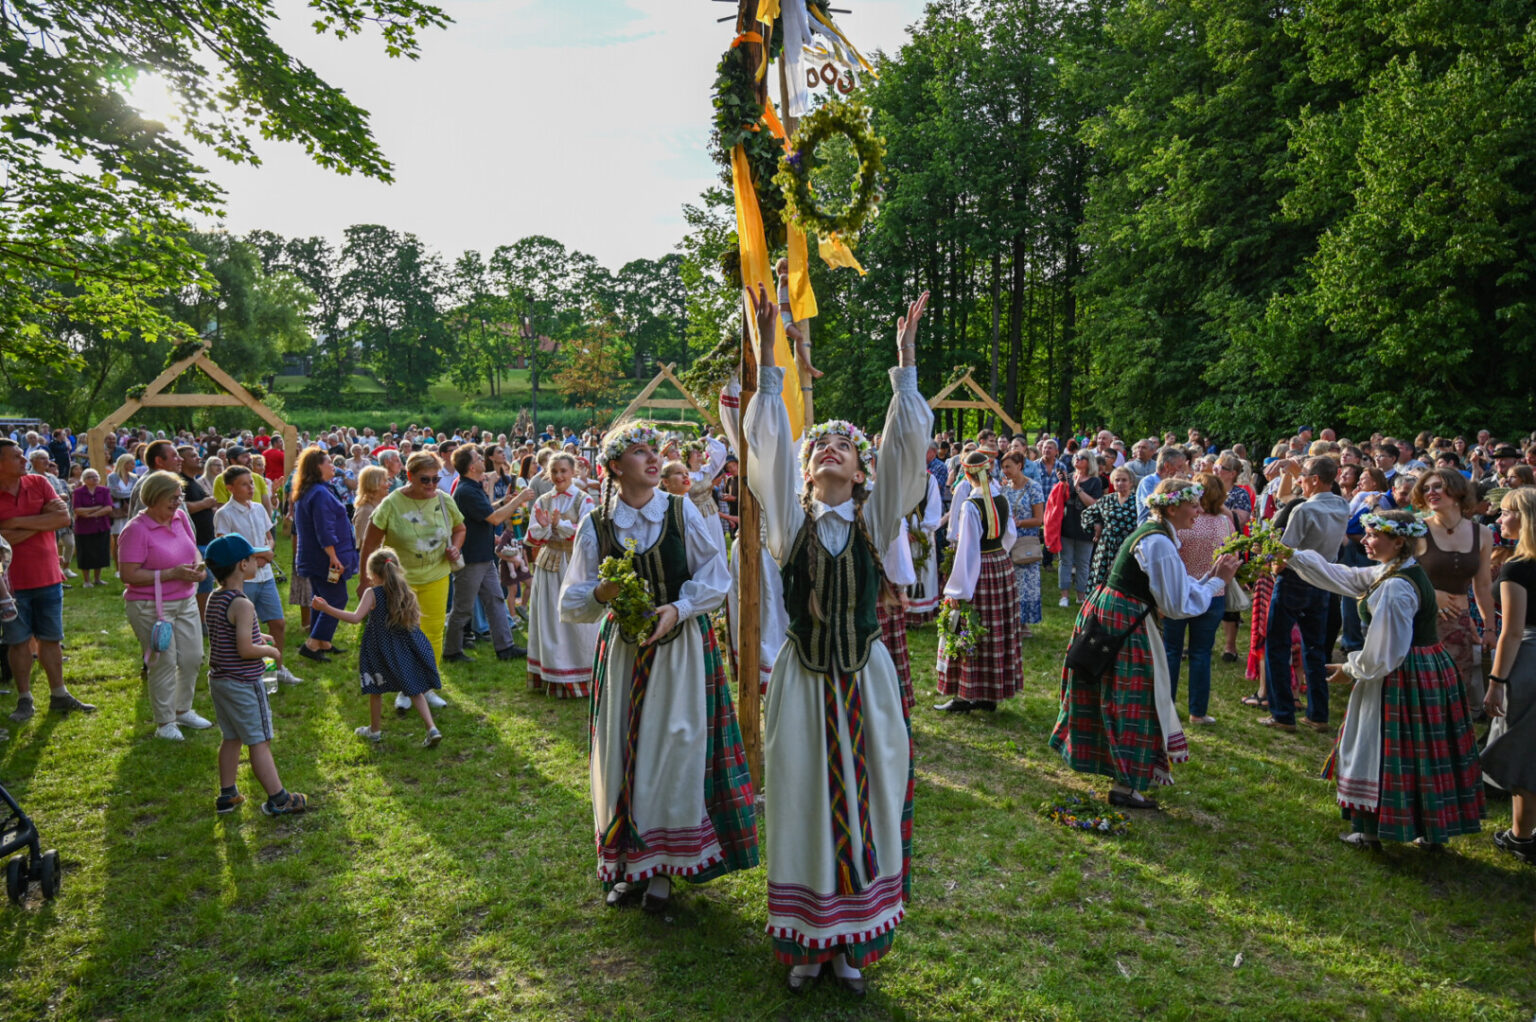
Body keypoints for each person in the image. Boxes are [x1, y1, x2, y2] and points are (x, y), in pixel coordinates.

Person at [742, 285, 928, 993]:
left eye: (844, 447)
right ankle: (808, 938)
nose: (829, 450)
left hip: (864, 677)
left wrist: (904, 364)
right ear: (808, 467)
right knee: (802, 796)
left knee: (866, 792)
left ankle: (851, 938)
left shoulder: (876, 522)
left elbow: (906, 451)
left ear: (860, 470)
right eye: (820, 445)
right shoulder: (790, 525)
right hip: (804, 678)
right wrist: (769, 358)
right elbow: (766, 449)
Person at [558, 414, 756, 918]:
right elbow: (571, 602)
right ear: (614, 466)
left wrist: (679, 608)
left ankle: (664, 868)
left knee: (676, 749)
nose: (653, 458)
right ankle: (629, 864)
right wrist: (602, 592)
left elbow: (716, 576)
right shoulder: (596, 523)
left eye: (654, 450)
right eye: (640, 451)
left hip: (681, 650)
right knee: (622, 750)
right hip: (625, 653)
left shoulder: (680, 510)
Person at [1285, 510, 1484, 849]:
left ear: (1399, 541)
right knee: (1422, 752)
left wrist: (1350, 669)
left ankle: (1372, 832)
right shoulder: (1396, 570)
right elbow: (1345, 576)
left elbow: (1384, 652)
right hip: (1425, 669)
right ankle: (1428, 830)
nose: (1365, 540)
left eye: (1373, 535)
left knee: (1384, 746)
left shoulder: (1395, 587)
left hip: (1402, 674)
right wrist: (1291, 556)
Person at [1051, 478, 1240, 809]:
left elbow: (1173, 586)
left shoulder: (1157, 534)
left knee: (1118, 694)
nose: (1198, 511)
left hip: (1119, 614)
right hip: (1124, 620)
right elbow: (1177, 605)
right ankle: (1126, 785)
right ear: (1172, 508)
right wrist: (1215, 584)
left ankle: (1121, 775)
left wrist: (1210, 578)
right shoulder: (1159, 542)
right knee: (1134, 697)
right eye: (1193, 505)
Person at [202, 534, 309, 816]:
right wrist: (270, 651)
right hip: (244, 684)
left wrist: (258, 635)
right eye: (253, 558)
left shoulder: (215, 597)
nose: (257, 562)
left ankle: (227, 794)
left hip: (220, 681)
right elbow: (245, 649)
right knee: (259, 740)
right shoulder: (243, 604)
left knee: (231, 737)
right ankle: (279, 798)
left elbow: (228, 634)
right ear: (242, 565)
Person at [2, 439, 96, 722]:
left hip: (48, 576)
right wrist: (40, 520)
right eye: (17, 456)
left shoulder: (39, 483)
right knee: (18, 642)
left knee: (51, 638)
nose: (24, 460)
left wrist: (14, 524)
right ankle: (24, 699)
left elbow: (63, 519)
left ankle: (59, 694)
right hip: (10, 584)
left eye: (23, 455)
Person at [312, 547, 443, 748]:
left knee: (376, 689)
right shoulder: (405, 591)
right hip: (404, 648)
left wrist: (326, 608)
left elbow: (355, 618)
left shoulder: (372, 593)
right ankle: (432, 728)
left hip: (378, 648)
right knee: (415, 690)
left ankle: (374, 730)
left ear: (372, 574)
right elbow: (415, 621)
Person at [117, 470, 211, 739]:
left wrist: (198, 568)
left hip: (185, 600)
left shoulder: (180, 517)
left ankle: (183, 710)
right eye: (172, 497)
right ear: (154, 497)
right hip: (149, 606)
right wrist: (171, 573)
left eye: (179, 496)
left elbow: (193, 549)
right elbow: (128, 574)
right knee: (164, 662)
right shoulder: (136, 529)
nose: (178, 502)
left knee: (193, 657)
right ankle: (165, 722)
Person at [1260, 457, 1349, 734]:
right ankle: (1318, 714)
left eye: (1304, 477)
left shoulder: (1304, 509)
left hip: (1295, 579)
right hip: (1323, 580)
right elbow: (1314, 483)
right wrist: (1298, 469)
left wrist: (1273, 570)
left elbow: (1284, 550)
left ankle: (1283, 713)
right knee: (1315, 647)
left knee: (1277, 644)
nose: (1301, 481)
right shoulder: (1342, 505)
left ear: (1315, 480)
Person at [358, 452, 464, 683]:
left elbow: (460, 528)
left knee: (433, 632)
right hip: (399, 581)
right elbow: (370, 544)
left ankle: (427, 685)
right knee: (401, 634)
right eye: (425, 479)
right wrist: (365, 580)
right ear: (410, 476)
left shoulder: (444, 500)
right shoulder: (391, 503)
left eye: (435, 479)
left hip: (437, 576)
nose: (431, 484)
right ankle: (406, 686)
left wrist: (455, 548)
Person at [935, 449, 1023, 714]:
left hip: (979, 570)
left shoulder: (971, 505)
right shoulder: (1001, 499)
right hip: (1001, 566)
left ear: (967, 473)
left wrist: (957, 590)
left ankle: (964, 696)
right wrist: (998, 556)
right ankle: (989, 695)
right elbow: (1010, 536)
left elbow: (968, 549)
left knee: (968, 627)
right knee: (995, 630)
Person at [1413, 469, 1495, 713]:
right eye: (1426, 488)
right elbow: (1399, 576)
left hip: (1460, 625)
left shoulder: (1482, 533)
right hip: (1421, 622)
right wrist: (1431, 593)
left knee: (1455, 694)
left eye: (1438, 486)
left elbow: (1483, 585)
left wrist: (1489, 628)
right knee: (1423, 694)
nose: (1431, 492)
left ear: (1457, 490)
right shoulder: (1416, 529)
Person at [1484, 488, 1536, 864]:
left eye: (1505, 512)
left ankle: (1521, 836)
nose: (1499, 519)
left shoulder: (1517, 568)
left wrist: (1496, 682)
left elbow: (1512, 632)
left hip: (1528, 660)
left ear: (1525, 518)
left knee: (1522, 752)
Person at [214, 465, 300, 686]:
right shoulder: (224, 514)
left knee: (278, 623)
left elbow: (269, 537)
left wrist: (266, 553)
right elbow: (226, 546)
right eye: (244, 484)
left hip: (265, 575)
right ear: (230, 488)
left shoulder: (259, 509)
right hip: (243, 578)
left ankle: (277, 668)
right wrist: (259, 555)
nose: (250, 487)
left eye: (251, 482)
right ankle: (250, 673)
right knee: (246, 628)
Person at [1160, 472, 1234, 724]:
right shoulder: (1225, 523)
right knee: (1201, 653)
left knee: (1171, 650)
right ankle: (1198, 712)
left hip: (1179, 590)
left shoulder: (1182, 523)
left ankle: (1166, 707)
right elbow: (1232, 555)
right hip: (1213, 592)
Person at [443, 444, 528, 663]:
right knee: (463, 607)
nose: (483, 460)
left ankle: (505, 647)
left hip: (483, 555)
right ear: (472, 467)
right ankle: (451, 651)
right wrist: (518, 500)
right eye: (478, 458)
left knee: (496, 600)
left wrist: (503, 502)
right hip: (472, 558)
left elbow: (487, 511)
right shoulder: (467, 491)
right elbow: (495, 519)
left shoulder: (472, 487)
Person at [526, 453, 598, 695]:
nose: (559, 476)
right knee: (551, 619)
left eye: (563, 471)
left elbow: (588, 532)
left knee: (578, 619)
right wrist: (544, 527)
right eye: (554, 471)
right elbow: (531, 537)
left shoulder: (584, 499)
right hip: (550, 564)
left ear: (573, 471)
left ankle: (583, 672)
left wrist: (560, 525)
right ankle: (554, 673)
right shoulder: (543, 500)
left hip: (575, 564)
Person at [291, 446, 359, 664]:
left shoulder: (312, 490)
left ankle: (323, 641)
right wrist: (333, 557)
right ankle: (313, 643)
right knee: (337, 598)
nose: (333, 465)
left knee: (321, 598)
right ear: (317, 467)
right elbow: (324, 529)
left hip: (315, 558)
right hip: (326, 560)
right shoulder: (319, 493)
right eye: (328, 462)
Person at [1000, 450, 1045, 638]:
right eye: (1003, 467)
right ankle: (1010, 620)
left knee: (1026, 584)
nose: (1005, 471)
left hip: (1025, 542)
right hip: (1007, 543)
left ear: (1019, 466)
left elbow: (1039, 519)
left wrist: (1019, 523)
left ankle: (1024, 622)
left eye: (1008, 467)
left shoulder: (1033, 487)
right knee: (1010, 582)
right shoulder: (1004, 489)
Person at [1055, 450, 1102, 607]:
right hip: (1067, 526)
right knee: (1065, 561)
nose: (1077, 459)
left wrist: (1078, 488)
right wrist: (1062, 485)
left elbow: (1093, 504)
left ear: (1089, 461)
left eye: (1081, 457)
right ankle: (1064, 596)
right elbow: (1058, 501)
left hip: (1086, 528)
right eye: (1075, 457)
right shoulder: (1068, 477)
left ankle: (1081, 596)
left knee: (1083, 564)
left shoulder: (1095, 482)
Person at [1081, 465, 1139, 592]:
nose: (1120, 483)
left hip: (1129, 546)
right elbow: (1087, 514)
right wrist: (1096, 524)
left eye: (1124, 480)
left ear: (1131, 482)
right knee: (1102, 580)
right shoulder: (1106, 500)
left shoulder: (1138, 501)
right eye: (1117, 480)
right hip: (1106, 546)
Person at [904, 464, 944, 625]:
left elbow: (934, 506)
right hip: (902, 532)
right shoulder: (897, 477)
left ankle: (919, 615)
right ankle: (904, 612)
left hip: (923, 531)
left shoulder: (929, 479)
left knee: (923, 570)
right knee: (904, 566)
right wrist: (902, 531)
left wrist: (924, 530)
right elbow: (892, 505)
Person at [71, 468, 113, 587]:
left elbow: (108, 508)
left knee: (100, 552)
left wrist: (91, 515)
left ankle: (97, 579)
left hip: (101, 526)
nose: (94, 478)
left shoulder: (104, 490)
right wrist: (97, 508)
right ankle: (86, 580)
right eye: (90, 477)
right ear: (84, 479)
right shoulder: (78, 492)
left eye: (95, 476)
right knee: (85, 554)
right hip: (84, 528)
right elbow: (78, 509)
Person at [107, 453, 137, 567]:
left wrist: (123, 493)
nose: (133, 466)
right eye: (131, 463)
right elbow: (114, 493)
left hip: (130, 510)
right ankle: (118, 568)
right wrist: (128, 493)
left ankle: (129, 565)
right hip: (117, 512)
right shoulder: (112, 477)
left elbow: (135, 493)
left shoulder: (134, 477)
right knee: (117, 539)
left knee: (130, 539)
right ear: (124, 464)